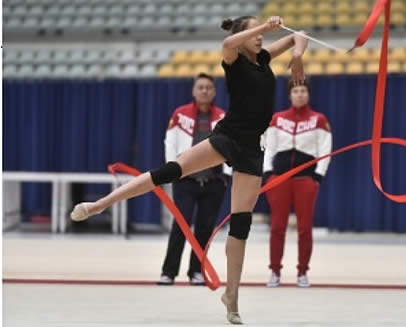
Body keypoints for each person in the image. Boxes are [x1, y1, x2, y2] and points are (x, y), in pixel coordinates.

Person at [71, 15, 308, 325]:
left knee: (241, 223)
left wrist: (299, 55)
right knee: (170, 170)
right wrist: (265, 27)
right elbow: (226, 43)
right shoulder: (233, 59)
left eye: (261, 31)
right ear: (243, 35)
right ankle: (99, 205)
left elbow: (299, 35)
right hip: (228, 136)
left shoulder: (263, 59)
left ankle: (232, 294)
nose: (261, 36)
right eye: (253, 31)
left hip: (252, 147)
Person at [158, 73, 230, 286]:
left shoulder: (222, 117)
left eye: (209, 87)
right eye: (201, 87)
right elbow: (169, 142)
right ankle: (168, 272)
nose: (205, 91)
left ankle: (196, 271)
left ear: (215, 92)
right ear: (193, 91)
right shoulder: (180, 115)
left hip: (214, 181)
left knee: (205, 228)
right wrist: (171, 168)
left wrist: (226, 172)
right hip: (186, 180)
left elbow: (229, 145)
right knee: (180, 226)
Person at [263, 78, 332, 288]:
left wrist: (318, 176)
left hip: (306, 180)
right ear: (289, 95)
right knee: (277, 227)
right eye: (296, 91)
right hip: (279, 179)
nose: (300, 94)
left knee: (304, 228)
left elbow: (325, 149)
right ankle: (274, 271)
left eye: (303, 91)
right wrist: (268, 173)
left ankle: (302, 272)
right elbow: (269, 147)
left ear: (308, 94)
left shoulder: (319, 120)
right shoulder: (277, 119)